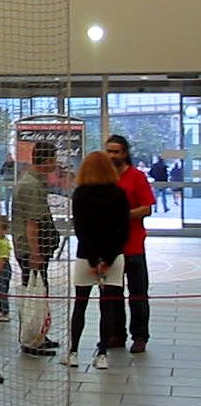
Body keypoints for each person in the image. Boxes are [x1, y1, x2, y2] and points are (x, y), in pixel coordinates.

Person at [58, 151, 129, 370]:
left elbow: (81, 230)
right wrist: (107, 259)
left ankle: (74, 352)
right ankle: (103, 354)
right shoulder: (119, 194)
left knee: (80, 304)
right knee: (107, 307)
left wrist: (92, 260)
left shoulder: (80, 194)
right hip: (114, 258)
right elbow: (122, 230)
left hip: (85, 257)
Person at [105, 134, 154, 353]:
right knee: (112, 294)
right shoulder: (104, 177)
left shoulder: (137, 177)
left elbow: (147, 207)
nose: (111, 155)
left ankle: (140, 336)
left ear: (125, 153)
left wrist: (123, 215)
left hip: (133, 246)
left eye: (115, 151)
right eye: (109, 151)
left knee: (137, 293)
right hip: (110, 247)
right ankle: (116, 334)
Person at [11, 140, 60, 354]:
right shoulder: (30, 185)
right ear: (47, 160)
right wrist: (35, 253)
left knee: (39, 293)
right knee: (33, 295)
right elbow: (32, 223)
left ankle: (38, 334)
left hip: (34, 249)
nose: (56, 164)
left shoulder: (35, 182)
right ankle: (30, 339)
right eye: (54, 159)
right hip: (31, 251)